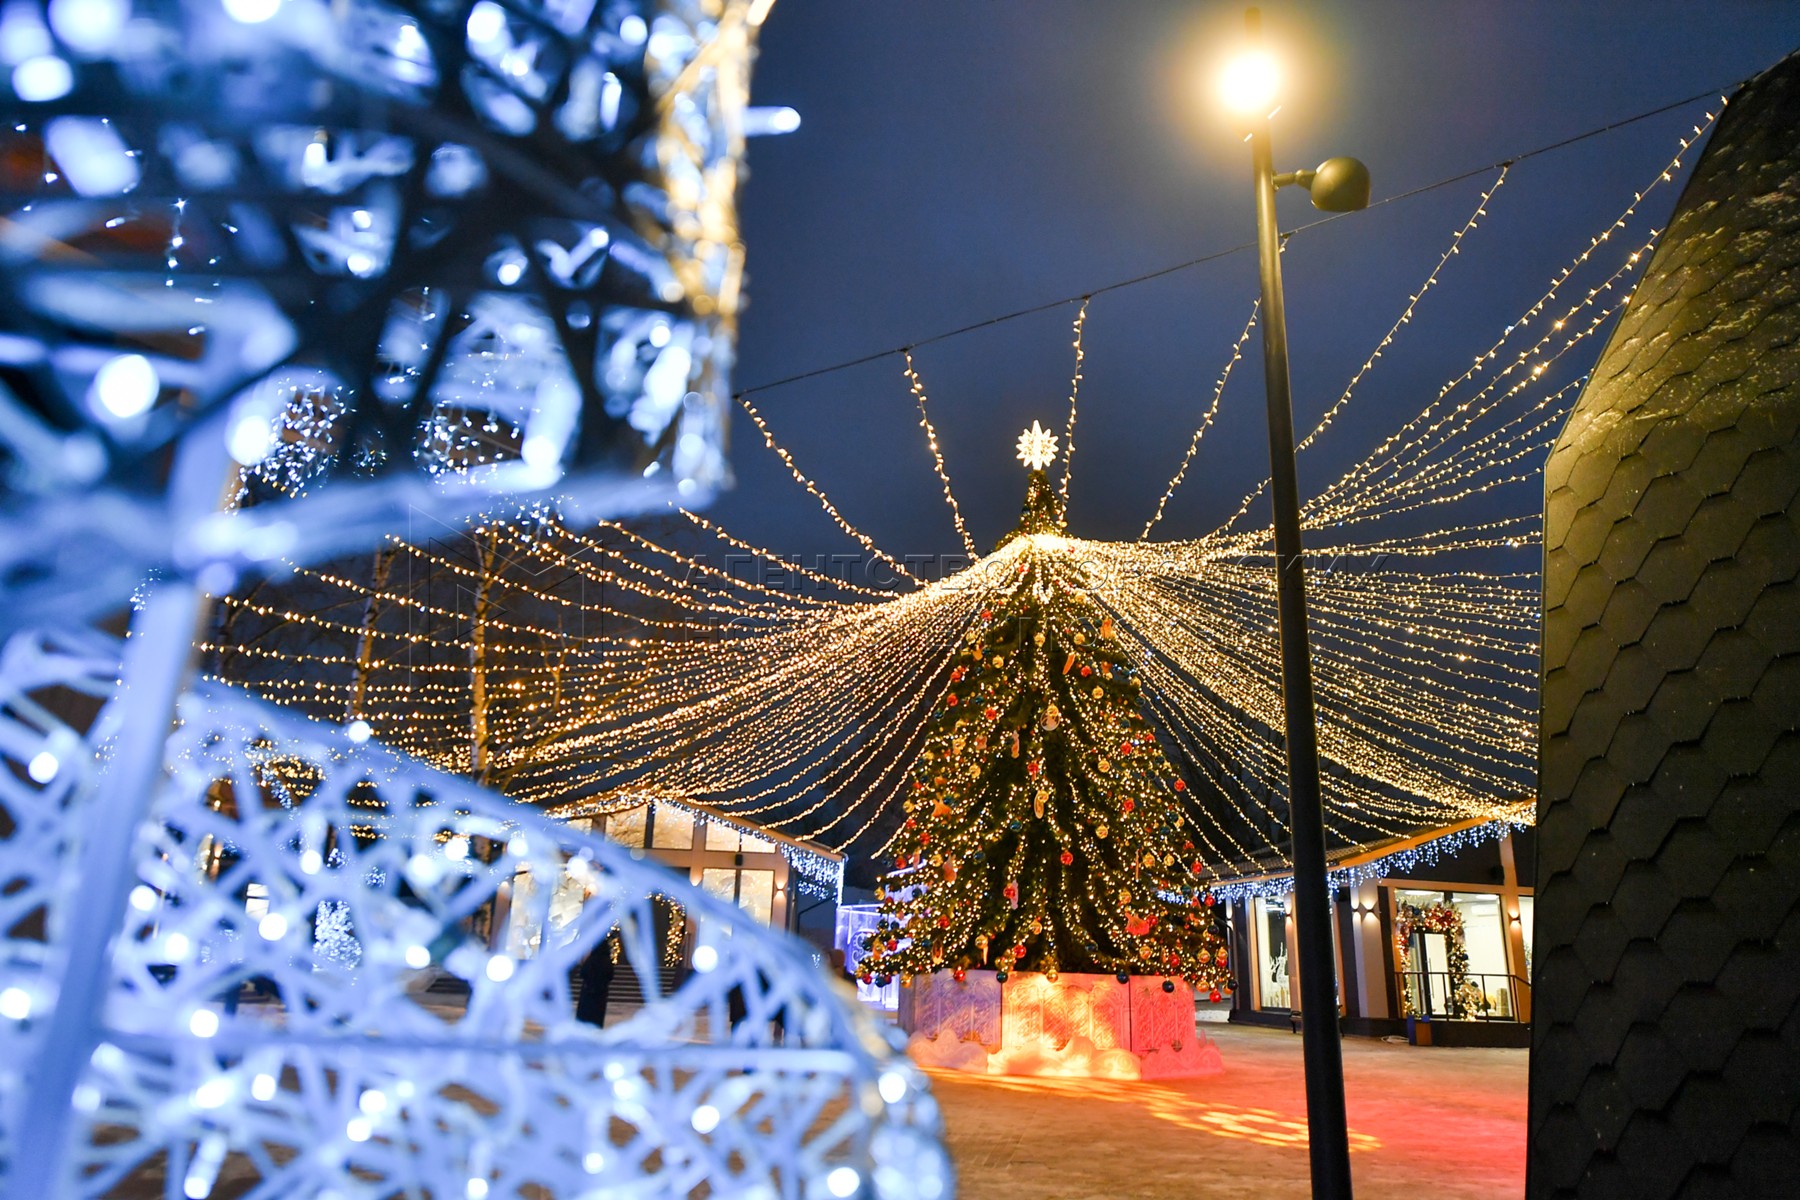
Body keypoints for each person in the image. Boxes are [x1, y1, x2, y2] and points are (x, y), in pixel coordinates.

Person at [577, 934, 616, 1028]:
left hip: (588, 991)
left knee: (585, 1016)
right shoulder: (607, 962)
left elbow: (583, 973)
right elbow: (610, 976)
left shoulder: (591, 960)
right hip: (601, 993)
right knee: (597, 1016)